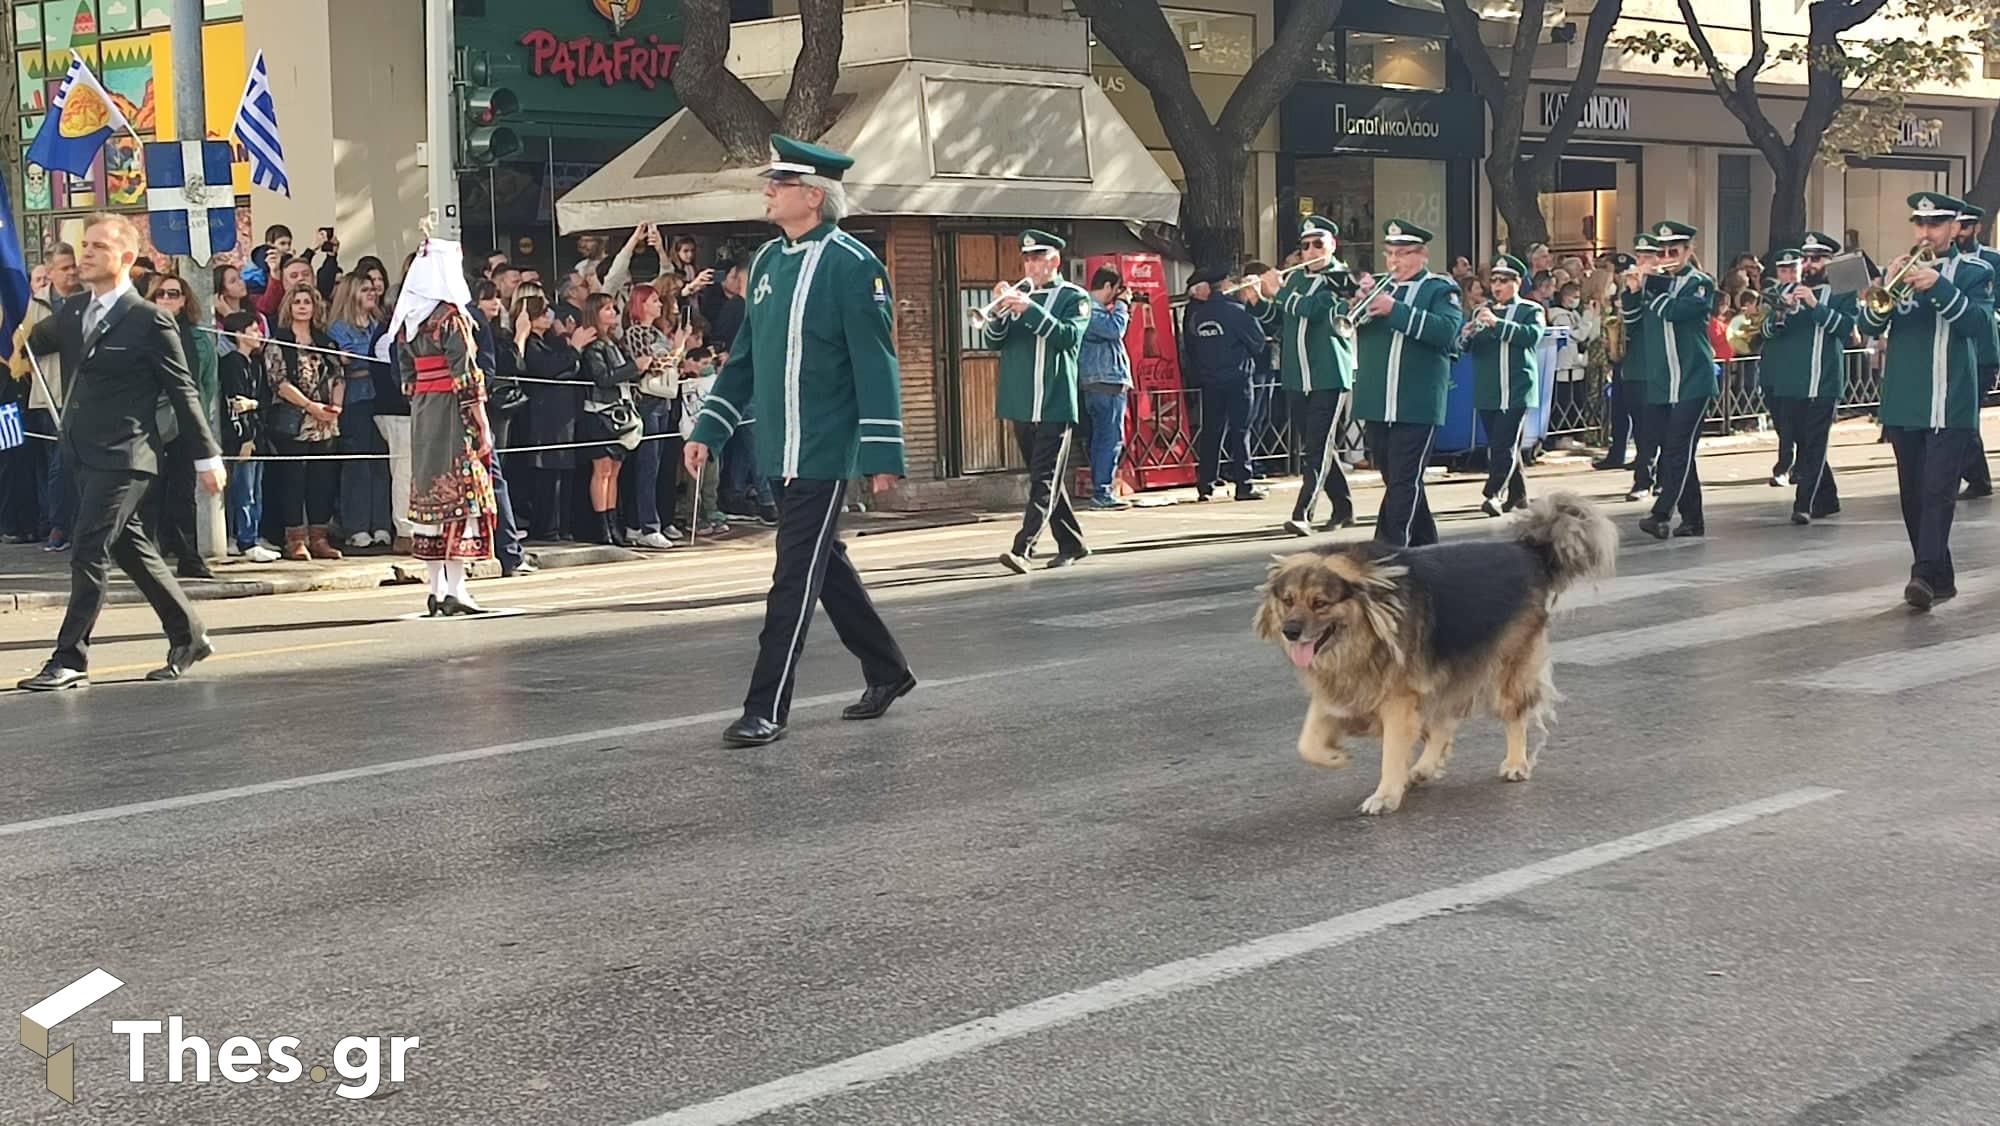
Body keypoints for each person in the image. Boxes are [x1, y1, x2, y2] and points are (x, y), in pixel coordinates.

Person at [684, 133, 914, 748]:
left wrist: (881, 454)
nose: (767, 191)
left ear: (813, 196)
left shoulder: (852, 264)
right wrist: (711, 425)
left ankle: (766, 707)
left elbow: (875, 362)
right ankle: (888, 669)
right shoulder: (765, 264)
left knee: (793, 576)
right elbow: (746, 360)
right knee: (822, 565)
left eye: (778, 185)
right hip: (777, 445)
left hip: (823, 447)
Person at [15, 213, 225, 691]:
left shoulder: (149, 320)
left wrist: (207, 457)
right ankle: (188, 635)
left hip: (127, 457)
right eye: (84, 245)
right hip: (82, 455)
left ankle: (70, 657)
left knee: (89, 548)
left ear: (127, 259)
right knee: (133, 551)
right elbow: (28, 342)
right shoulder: (70, 313)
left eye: (98, 247)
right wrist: (19, 311)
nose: (85, 254)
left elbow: (183, 391)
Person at [1857, 193, 1993, 610]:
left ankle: (1922, 574)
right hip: (1904, 400)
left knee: (1937, 493)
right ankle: (1940, 577)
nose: (1925, 233)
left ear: (1955, 228)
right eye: (1919, 224)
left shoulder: (1975, 271)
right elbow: (1867, 324)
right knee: (1913, 496)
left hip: (1950, 401)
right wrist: (1885, 289)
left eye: (1934, 225)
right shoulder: (1897, 269)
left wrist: (1939, 287)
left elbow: (1978, 324)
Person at [388, 239, 500, 616]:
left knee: (429, 499)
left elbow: (406, 377)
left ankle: (436, 588)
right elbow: (467, 375)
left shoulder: (410, 320)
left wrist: (422, 394)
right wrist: (481, 422)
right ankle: (456, 588)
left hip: (423, 411)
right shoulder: (451, 318)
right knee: (460, 496)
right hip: (452, 411)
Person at [985, 230, 1094, 574]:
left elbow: (1066, 337)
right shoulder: (1019, 295)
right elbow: (994, 342)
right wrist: (1000, 312)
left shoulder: (1074, 297)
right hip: (1020, 402)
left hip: (1054, 402)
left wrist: (1029, 309)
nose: (1031, 265)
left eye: (1038, 258)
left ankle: (1023, 549)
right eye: (1027, 259)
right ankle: (1072, 543)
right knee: (1045, 477)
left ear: (1054, 261)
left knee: (1043, 479)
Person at [1350, 219, 1462, 549]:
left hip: (1416, 403)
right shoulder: (1382, 290)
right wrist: (1360, 302)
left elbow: (1446, 332)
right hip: (1377, 401)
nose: (1394, 261)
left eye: (1403, 253)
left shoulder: (1440, 289)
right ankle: (1427, 545)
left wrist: (1395, 310)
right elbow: (1347, 328)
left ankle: (1388, 550)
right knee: (1397, 479)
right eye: (1389, 254)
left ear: (1423, 254)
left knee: (1403, 480)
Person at [1262, 215, 1355, 536]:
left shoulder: (1341, 279)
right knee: (1319, 446)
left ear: (1332, 245)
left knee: (1315, 448)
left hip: (1328, 374)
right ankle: (1343, 508)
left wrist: (1279, 292)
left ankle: (1303, 512)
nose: (1311, 250)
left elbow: (1316, 310)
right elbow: (1276, 319)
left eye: (1318, 244)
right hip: (1297, 376)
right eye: (1305, 246)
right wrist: (1257, 300)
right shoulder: (1297, 280)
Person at [1760, 235, 1855, 526]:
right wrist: (1780, 312)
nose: (1810, 265)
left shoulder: (1842, 290)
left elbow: (1847, 329)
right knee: (1802, 441)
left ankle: (1804, 504)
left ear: (1828, 261)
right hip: (1792, 381)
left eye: (1817, 259)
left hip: (1823, 380)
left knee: (1814, 444)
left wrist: (1815, 305)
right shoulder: (1786, 290)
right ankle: (1828, 496)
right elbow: (1765, 331)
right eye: (1807, 259)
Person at [1635, 220, 1718, 540]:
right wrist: (1633, 290)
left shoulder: (1699, 282)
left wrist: (1651, 287)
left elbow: (1678, 311)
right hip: (1662, 380)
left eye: (1674, 250)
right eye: (1662, 251)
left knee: (1677, 448)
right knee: (1676, 451)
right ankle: (1693, 519)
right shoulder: (1654, 283)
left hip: (1692, 379)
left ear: (1687, 251)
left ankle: (1661, 513)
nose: (1667, 255)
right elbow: (1632, 320)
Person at [264, 284, 346, 560]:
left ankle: (319, 537)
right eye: (297, 302)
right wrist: (310, 406)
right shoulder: (280, 341)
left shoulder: (325, 341)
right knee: (293, 480)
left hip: (325, 422)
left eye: (307, 302)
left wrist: (335, 406)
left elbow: (338, 376)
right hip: (295, 420)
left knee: (322, 481)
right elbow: (278, 382)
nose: (302, 306)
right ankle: (295, 539)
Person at [1463, 254, 1545, 517]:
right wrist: (1468, 334)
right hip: (1489, 389)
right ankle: (1519, 496)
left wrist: (1498, 324)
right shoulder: (1481, 311)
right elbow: (1468, 348)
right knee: (1505, 445)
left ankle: (1493, 493)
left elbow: (1531, 336)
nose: (1497, 286)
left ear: (1517, 283)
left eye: (1504, 281)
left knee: (1503, 444)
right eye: (1495, 281)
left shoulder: (1531, 310)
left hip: (1518, 387)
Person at [1180, 267, 1268, 507]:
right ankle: (1244, 483)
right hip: (1238, 379)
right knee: (1241, 431)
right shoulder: (1237, 312)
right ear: (1226, 286)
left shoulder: (1198, 315)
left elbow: (1192, 349)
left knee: (1212, 432)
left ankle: (1206, 484)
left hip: (1210, 381)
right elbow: (1259, 342)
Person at [146, 276, 213, 578]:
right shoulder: (142, 333)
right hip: (150, 421)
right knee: (151, 490)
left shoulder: (198, 339)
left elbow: (208, 384)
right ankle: (153, 556)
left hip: (186, 422)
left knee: (184, 492)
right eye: (160, 294)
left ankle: (190, 556)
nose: (166, 299)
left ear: (184, 300)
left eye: (173, 294)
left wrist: (202, 423)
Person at [327, 274, 391, 549]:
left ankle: (380, 523)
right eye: (364, 289)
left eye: (372, 289)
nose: (371, 293)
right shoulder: (339, 328)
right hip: (354, 399)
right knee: (357, 463)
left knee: (380, 462)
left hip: (379, 398)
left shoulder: (377, 324)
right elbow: (350, 359)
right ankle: (356, 525)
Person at [578, 292, 642, 545]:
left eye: (614, 308)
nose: (613, 313)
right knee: (602, 469)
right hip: (599, 412)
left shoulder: (613, 342)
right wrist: (634, 367)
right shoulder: (593, 345)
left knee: (614, 469)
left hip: (618, 409)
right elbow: (602, 377)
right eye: (607, 309)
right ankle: (601, 525)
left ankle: (614, 523)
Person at [218, 310, 280, 562]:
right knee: (244, 490)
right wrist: (245, 439)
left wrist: (252, 404)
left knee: (255, 489)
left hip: (257, 433)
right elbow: (234, 403)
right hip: (242, 435)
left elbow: (262, 400)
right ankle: (245, 539)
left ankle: (251, 535)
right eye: (253, 330)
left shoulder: (256, 363)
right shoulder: (231, 362)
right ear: (239, 334)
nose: (259, 334)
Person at [1953, 203, 2000, 499]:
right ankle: (1973, 475)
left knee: (1964, 417)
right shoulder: (1935, 262)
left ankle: (1977, 478)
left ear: (1977, 228)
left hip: (1982, 349)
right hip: (1952, 348)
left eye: (1965, 227)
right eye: (1956, 227)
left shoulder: (1992, 260)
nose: (1960, 233)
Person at [1078, 266, 1132, 510]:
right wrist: (1122, 306)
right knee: (1108, 438)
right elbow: (1114, 330)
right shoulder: (1089, 309)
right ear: (1109, 286)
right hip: (1104, 382)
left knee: (1103, 437)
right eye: (1117, 290)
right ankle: (1102, 491)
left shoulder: (1095, 310)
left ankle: (1102, 488)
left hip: (1102, 381)